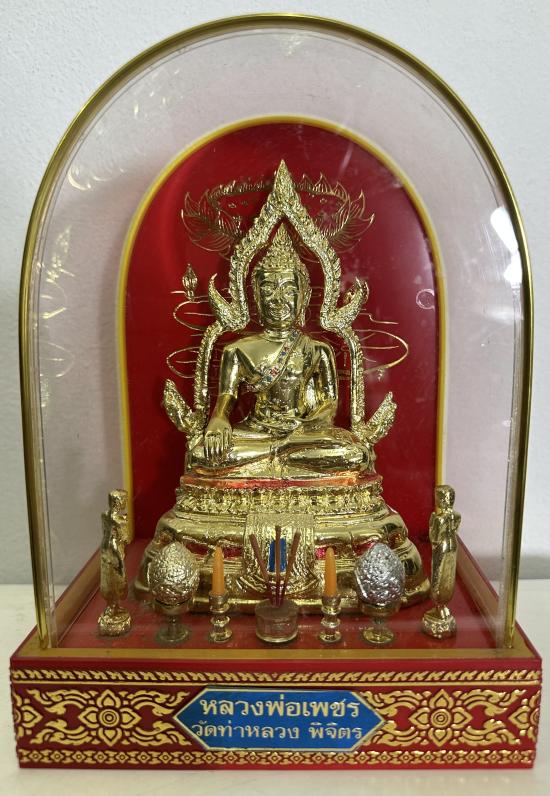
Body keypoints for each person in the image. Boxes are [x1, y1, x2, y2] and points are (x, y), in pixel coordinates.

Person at [187, 225, 371, 478]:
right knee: (200, 455)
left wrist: (306, 428)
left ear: (303, 297)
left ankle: (277, 453)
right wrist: (218, 420)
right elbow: (225, 401)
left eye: (288, 290)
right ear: (255, 297)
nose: (277, 299)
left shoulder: (318, 350)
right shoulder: (236, 350)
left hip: (302, 433)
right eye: (268, 289)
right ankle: (281, 453)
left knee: (354, 454)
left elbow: (329, 405)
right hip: (255, 433)